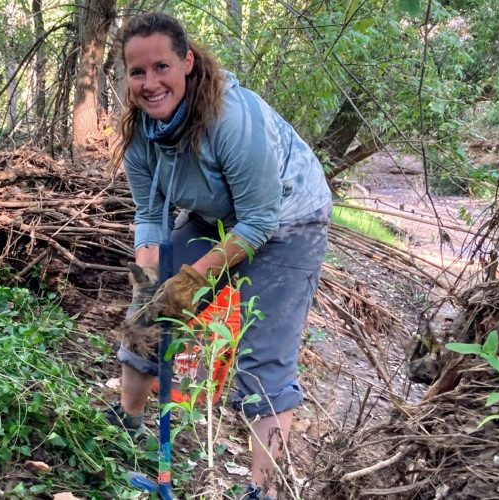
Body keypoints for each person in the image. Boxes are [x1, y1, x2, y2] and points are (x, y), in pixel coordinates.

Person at [103, 12, 333, 499]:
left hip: (290, 220)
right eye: (137, 72)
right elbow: (149, 213)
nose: (150, 83)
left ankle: (261, 489)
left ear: (186, 62)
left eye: (161, 67)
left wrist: (190, 280)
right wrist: (149, 281)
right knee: (146, 313)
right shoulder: (140, 132)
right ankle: (127, 423)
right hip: (219, 217)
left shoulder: (230, 119)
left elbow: (260, 221)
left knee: (262, 355)